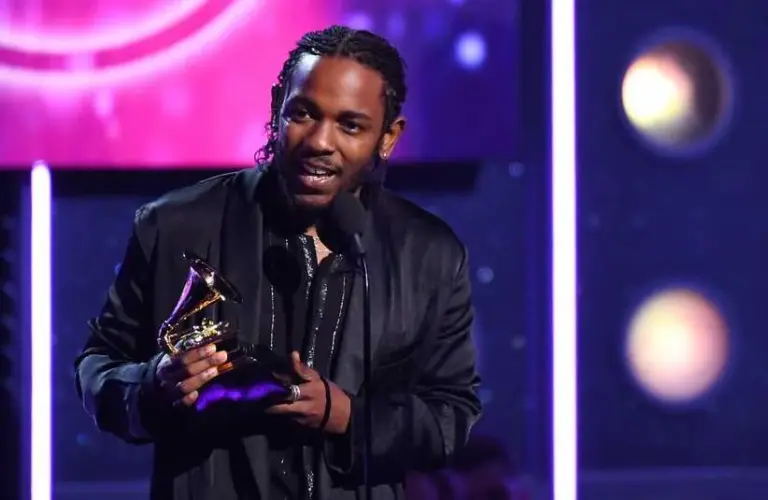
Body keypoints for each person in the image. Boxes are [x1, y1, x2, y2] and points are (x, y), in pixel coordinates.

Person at [75, 25, 482, 500]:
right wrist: (152, 387)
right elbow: (98, 366)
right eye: (303, 114)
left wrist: (345, 416)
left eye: (350, 125)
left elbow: (451, 415)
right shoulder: (174, 225)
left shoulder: (430, 254)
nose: (319, 141)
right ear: (276, 108)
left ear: (388, 137)